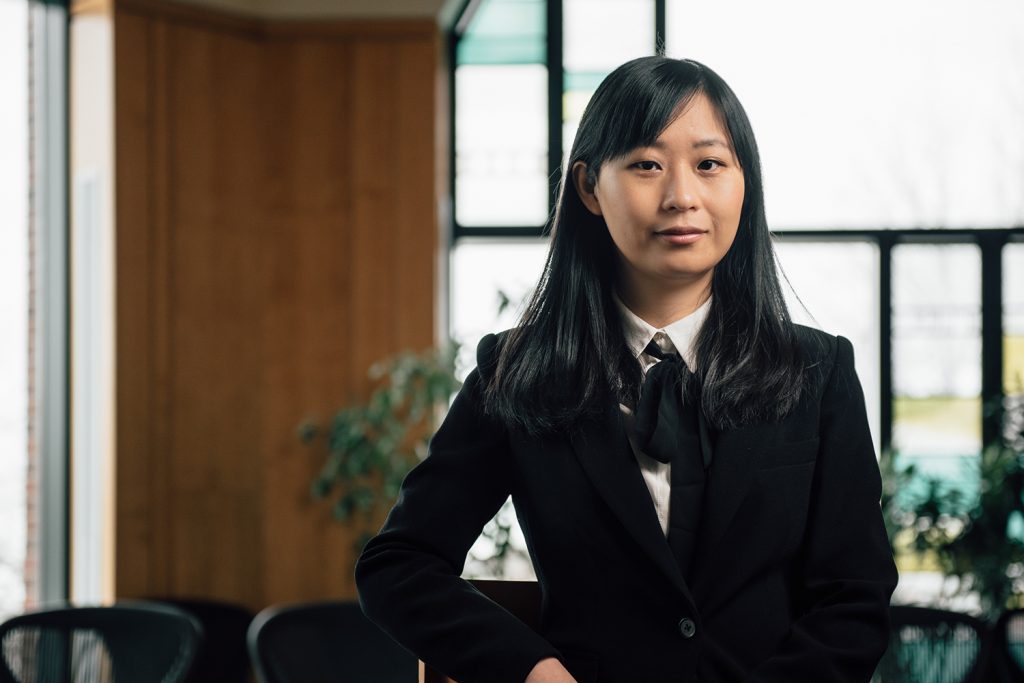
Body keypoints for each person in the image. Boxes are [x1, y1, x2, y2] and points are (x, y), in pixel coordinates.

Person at [355, 56, 898, 683]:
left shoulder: (818, 371)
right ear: (589, 188)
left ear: (744, 185)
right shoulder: (515, 373)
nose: (681, 195)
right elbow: (397, 565)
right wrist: (531, 670)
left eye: (709, 164)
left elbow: (852, 599)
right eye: (646, 164)